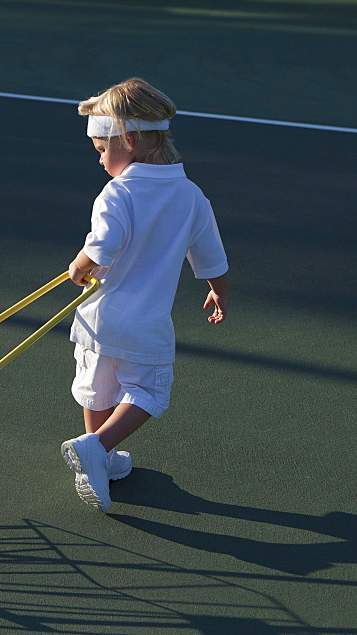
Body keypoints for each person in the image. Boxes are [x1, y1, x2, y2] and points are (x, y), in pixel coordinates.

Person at [59, 78, 229, 512]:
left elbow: (102, 245)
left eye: (101, 149)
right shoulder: (191, 196)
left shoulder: (118, 192)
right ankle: (101, 452)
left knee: (98, 389)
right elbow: (210, 255)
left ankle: (98, 454)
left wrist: (79, 265)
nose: (99, 160)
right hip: (145, 325)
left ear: (129, 141)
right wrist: (217, 293)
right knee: (147, 394)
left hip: (98, 318)